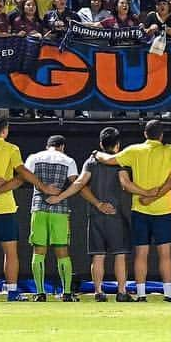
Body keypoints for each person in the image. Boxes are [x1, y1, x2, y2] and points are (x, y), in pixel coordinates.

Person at [94, 118, 171, 302]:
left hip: (140, 208)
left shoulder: (134, 150)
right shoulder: (170, 150)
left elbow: (108, 159)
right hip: (164, 209)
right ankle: (168, 293)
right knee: (165, 254)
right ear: (162, 135)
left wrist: (96, 154)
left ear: (145, 134)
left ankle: (141, 294)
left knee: (141, 254)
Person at [47, 126, 134, 302]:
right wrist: (147, 192)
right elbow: (125, 183)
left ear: (101, 143)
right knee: (120, 255)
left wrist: (60, 196)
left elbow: (79, 183)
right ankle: (122, 291)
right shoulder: (120, 162)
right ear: (117, 145)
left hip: (95, 215)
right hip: (116, 214)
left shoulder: (91, 161)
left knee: (98, 255)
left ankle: (99, 291)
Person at [0, 114, 60, 301]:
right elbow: (22, 174)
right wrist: (43, 188)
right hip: (5, 208)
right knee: (10, 252)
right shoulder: (11, 148)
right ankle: (12, 292)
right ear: (5, 130)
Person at [23, 134, 79, 301]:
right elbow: (76, 183)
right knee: (62, 251)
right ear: (62, 146)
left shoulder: (34, 157)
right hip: (60, 210)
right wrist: (59, 196)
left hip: (39, 207)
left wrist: (42, 187)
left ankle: (40, 293)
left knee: (39, 251)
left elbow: (24, 175)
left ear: (48, 145)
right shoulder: (68, 160)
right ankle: (67, 293)